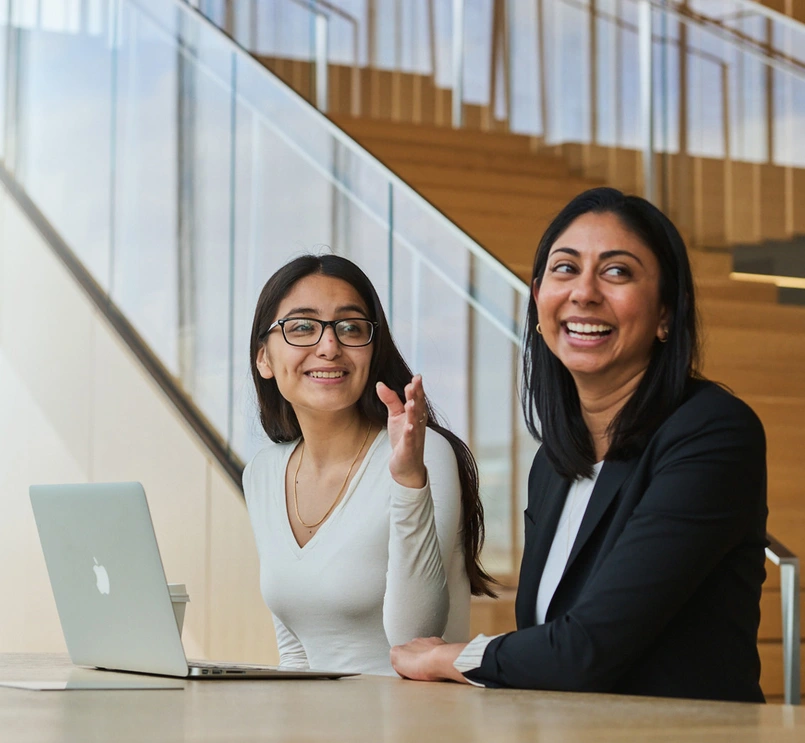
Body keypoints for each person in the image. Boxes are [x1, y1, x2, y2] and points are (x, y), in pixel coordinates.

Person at [390, 187, 768, 702]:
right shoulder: (553, 463)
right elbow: (548, 643)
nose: (584, 292)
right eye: (565, 268)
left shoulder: (712, 433)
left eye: (617, 272)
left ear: (665, 313)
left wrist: (448, 656)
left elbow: (585, 650)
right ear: (538, 298)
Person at [243, 254, 495, 676]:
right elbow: (295, 655)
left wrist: (409, 481)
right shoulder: (263, 473)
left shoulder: (423, 454)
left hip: (415, 712)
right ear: (264, 359)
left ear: (372, 352)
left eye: (350, 328)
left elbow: (414, 640)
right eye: (302, 327)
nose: (329, 346)